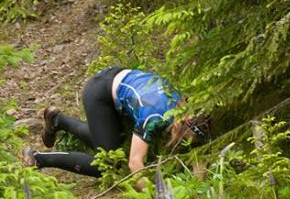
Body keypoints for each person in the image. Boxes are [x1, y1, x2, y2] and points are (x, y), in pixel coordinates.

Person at [18, 66, 209, 188]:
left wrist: (198, 186)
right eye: (186, 139)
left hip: (115, 78)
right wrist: (154, 195)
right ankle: (38, 158)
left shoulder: (184, 106)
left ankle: (58, 120)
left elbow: (197, 154)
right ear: (181, 127)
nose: (185, 144)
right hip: (99, 93)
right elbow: (135, 163)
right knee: (108, 164)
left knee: (106, 142)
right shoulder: (154, 118)